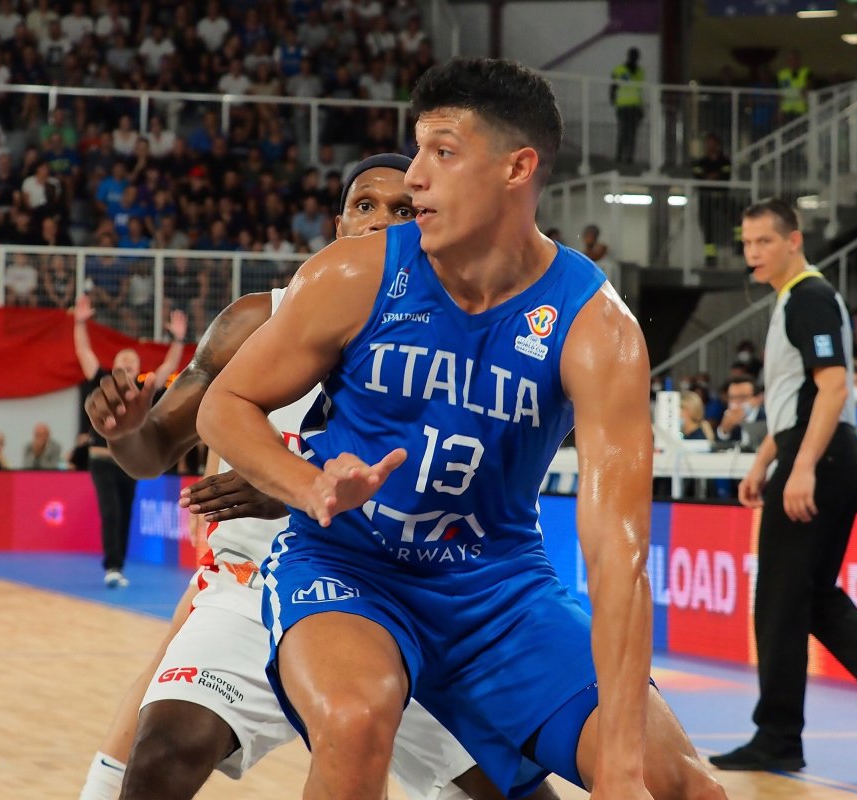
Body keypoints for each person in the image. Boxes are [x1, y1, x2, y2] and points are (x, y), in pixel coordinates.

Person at [197, 58, 724, 800]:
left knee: (686, 788)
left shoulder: (597, 326)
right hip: (350, 568)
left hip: (500, 588)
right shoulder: (354, 274)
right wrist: (310, 487)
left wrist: (625, 774)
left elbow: (619, 555)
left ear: (518, 168)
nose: (414, 177)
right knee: (354, 720)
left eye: (441, 152)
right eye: (418, 150)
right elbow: (224, 404)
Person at [80, 154, 560, 800]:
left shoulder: (460, 341)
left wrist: (291, 491)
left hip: (391, 599)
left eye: (402, 210)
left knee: (517, 794)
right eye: (364, 206)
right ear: (339, 226)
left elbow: (459, 497)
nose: (380, 221)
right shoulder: (257, 320)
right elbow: (151, 454)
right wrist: (125, 431)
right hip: (250, 596)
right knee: (163, 752)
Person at [710, 199, 857, 772]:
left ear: (793, 241)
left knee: (779, 601)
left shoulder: (809, 296)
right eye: (747, 243)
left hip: (821, 456)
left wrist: (801, 467)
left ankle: (778, 736)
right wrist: (764, 460)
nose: (753, 253)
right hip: (812, 449)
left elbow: (834, 388)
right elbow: (796, 401)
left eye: (764, 241)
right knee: (810, 598)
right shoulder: (792, 300)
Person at [74, 299, 186, 588]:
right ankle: (111, 565)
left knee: (125, 512)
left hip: (130, 462)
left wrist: (178, 340)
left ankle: (118, 566)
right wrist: (80, 322)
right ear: (114, 365)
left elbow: (168, 367)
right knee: (111, 511)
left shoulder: (142, 391)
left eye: (132, 361)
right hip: (101, 459)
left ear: (138, 368)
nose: (127, 363)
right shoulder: (101, 380)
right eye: (122, 359)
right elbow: (83, 352)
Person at [692, 133, 731, 266]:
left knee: (736, 217)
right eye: (708, 143)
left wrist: (712, 176)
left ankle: (739, 247)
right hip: (705, 200)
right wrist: (712, 177)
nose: (710, 146)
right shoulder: (701, 162)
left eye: (712, 143)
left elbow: (726, 175)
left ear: (718, 145)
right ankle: (710, 257)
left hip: (722, 198)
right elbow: (697, 176)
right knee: (707, 228)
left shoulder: (724, 161)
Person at [611, 47, 645, 165]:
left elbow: (640, 91)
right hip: (623, 106)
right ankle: (619, 156)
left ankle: (629, 157)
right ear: (628, 56)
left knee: (632, 133)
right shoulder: (619, 70)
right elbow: (613, 87)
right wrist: (613, 99)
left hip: (635, 107)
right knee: (622, 132)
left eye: (636, 56)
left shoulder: (640, 72)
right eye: (632, 56)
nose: (634, 58)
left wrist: (641, 108)